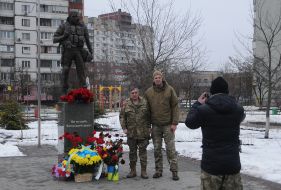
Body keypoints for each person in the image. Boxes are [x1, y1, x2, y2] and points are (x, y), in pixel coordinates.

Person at [185, 77, 245, 190]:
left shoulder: (203, 110)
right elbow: (240, 116)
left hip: (211, 165)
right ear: (227, 91)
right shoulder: (238, 110)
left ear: (211, 91)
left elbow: (190, 123)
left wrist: (197, 104)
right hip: (232, 165)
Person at [144, 70, 179, 181]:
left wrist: (174, 123)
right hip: (155, 126)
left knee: (170, 149)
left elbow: (175, 106)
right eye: (155, 78)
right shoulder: (148, 92)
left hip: (168, 125)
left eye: (159, 77)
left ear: (162, 78)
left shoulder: (170, 90)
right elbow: (147, 111)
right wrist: (148, 125)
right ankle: (158, 170)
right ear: (153, 79)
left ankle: (174, 171)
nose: (157, 79)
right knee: (157, 149)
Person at [53, 11, 93, 94]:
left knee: (81, 70)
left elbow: (88, 41)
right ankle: (64, 88)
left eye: (77, 16)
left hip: (78, 50)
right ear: (70, 17)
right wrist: (64, 36)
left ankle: (84, 89)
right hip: (68, 50)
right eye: (74, 16)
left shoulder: (83, 26)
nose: (76, 18)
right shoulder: (64, 26)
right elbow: (55, 39)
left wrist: (91, 52)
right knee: (65, 69)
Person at [119, 87, 151, 179]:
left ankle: (143, 171)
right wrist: (124, 128)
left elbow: (149, 116)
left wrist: (149, 127)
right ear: (130, 94)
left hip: (143, 132)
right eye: (132, 93)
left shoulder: (145, 103)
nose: (134, 94)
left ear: (138, 93)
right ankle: (133, 171)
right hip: (131, 132)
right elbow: (122, 116)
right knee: (132, 153)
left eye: (136, 92)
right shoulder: (126, 104)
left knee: (143, 153)